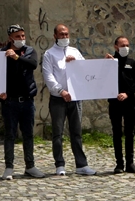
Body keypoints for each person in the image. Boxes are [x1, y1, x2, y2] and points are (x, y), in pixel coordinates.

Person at [40, 23, 96, 176]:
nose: (64, 37)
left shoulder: (75, 51)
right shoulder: (49, 54)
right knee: (57, 133)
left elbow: (86, 70)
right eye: (61, 34)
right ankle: (60, 165)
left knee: (76, 132)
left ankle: (81, 165)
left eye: (66, 34)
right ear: (55, 36)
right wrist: (60, 91)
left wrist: (76, 62)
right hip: (58, 99)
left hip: (75, 98)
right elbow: (48, 76)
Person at [0, 24, 46, 179]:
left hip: (27, 100)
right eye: (18, 36)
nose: (21, 39)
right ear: (10, 38)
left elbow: (33, 64)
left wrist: (16, 57)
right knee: (10, 134)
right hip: (10, 102)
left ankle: (30, 166)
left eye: (23, 36)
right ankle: (9, 167)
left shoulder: (29, 51)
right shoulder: (1, 53)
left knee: (28, 134)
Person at [107, 35, 135, 174]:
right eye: (122, 45)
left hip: (129, 103)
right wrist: (105, 63)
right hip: (114, 103)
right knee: (117, 133)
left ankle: (130, 163)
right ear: (116, 47)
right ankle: (119, 164)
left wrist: (127, 93)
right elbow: (101, 78)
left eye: (127, 45)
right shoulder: (110, 62)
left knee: (129, 133)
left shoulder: (132, 63)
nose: (125, 48)